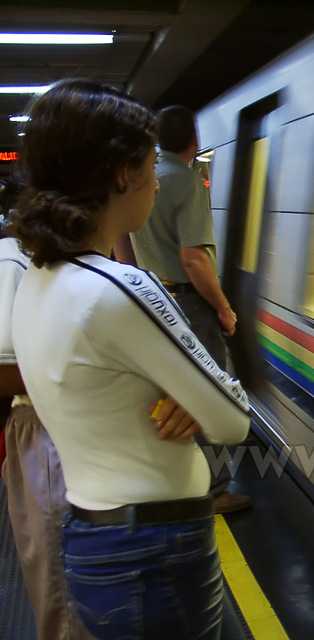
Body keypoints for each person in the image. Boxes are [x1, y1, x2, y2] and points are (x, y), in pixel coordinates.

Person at [8, 79, 250, 639]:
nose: (158, 186)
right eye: (147, 163)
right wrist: (198, 395)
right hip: (157, 552)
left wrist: (185, 394)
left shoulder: (39, 275)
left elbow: (103, 384)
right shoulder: (118, 288)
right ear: (123, 173)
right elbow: (231, 420)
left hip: (97, 540)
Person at [115, 105, 250, 514]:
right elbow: (194, 258)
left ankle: (182, 476)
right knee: (208, 390)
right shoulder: (188, 182)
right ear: (194, 139)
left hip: (154, 296)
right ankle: (215, 489)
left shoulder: (144, 181)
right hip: (190, 301)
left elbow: (123, 246)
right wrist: (224, 310)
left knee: (172, 389)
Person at [1, 179, 91, 640]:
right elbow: (3, 369)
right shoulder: (11, 262)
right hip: (46, 431)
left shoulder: (61, 264)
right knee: (62, 588)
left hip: (76, 432)